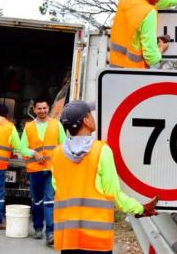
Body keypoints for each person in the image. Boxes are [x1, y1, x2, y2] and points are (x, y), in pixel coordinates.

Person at [51, 100, 158, 253]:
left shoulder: (57, 154)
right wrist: (140, 208)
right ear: (86, 121)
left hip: (68, 237)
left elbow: (57, 187)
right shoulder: (101, 151)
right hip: (96, 239)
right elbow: (113, 193)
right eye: (90, 115)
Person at [18, 97, 66, 246]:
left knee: (49, 200)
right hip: (35, 170)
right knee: (37, 201)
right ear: (34, 110)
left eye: (45, 108)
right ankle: (38, 228)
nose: (42, 111)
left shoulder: (57, 125)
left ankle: (50, 233)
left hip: (51, 169)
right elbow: (21, 148)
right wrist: (33, 153)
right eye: (39, 108)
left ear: (49, 108)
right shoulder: (29, 127)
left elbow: (64, 145)